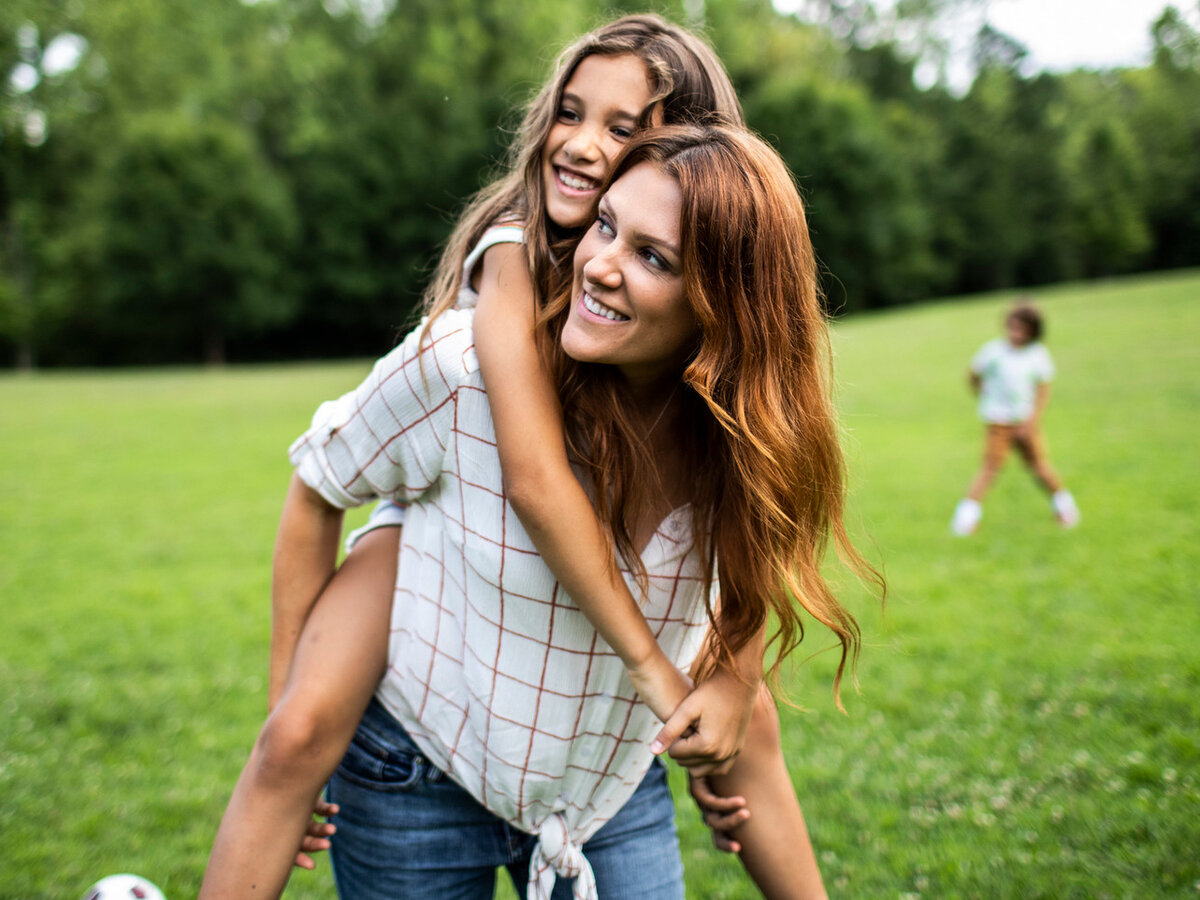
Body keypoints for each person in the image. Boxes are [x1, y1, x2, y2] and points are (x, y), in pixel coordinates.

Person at [200, 19, 852, 900]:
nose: (583, 146)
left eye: (622, 131)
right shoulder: (500, 293)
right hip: (433, 540)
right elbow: (534, 480)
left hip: (592, 779)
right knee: (300, 730)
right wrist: (663, 679)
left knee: (750, 720)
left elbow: (759, 555)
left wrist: (727, 689)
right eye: (571, 114)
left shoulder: (730, 413)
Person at [951, 302, 1080, 536]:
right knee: (989, 469)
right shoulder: (993, 351)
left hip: (1026, 421)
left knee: (1040, 466)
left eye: (1021, 328)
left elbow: (1042, 389)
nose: (1015, 333)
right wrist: (985, 396)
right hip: (998, 422)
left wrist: (1031, 420)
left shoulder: (1037, 354)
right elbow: (973, 375)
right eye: (1012, 327)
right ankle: (965, 521)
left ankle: (1066, 509)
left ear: (1033, 330)